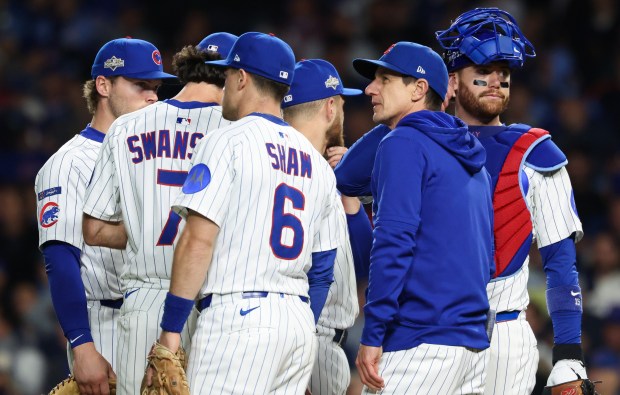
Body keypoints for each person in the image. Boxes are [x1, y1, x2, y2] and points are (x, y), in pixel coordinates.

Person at [143, 32, 341, 394]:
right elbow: (324, 269)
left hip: (239, 320)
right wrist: (299, 332)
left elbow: (198, 240)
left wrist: (170, 331)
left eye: (228, 74)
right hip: (297, 324)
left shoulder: (225, 142)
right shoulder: (316, 163)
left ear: (241, 78)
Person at [435, 8, 589, 394]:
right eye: (483, 68)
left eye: (504, 71)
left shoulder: (536, 152)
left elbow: (560, 260)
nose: (497, 80)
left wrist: (569, 350)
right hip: (428, 328)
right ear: (452, 80)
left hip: (502, 336)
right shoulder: (418, 143)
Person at [81, 32, 237, 395]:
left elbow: (93, 229)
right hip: (212, 303)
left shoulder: (125, 127)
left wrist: (143, 228)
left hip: (143, 302)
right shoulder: (236, 132)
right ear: (232, 75)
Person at [351, 42, 494, 394]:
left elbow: (393, 241)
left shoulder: (404, 143)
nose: (370, 88)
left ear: (418, 88)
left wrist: (374, 332)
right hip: (472, 346)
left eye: (384, 79)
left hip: (421, 342)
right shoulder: (472, 158)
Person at [34, 37, 173, 394]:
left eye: (156, 87)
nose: (153, 97)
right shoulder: (68, 164)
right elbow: (60, 259)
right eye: (141, 85)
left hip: (158, 314)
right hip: (104, 324)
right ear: (103, 85)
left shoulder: (152, 155)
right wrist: (82, 345)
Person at [281, 59, 373, 395]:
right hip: (310, 337)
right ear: (331, 108)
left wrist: (348, 191)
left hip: (283, 334)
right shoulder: (316, 174)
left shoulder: (273, 162)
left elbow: (361, 264)